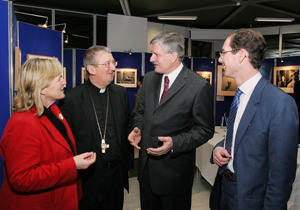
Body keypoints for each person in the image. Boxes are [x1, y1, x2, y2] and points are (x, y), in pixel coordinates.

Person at [210, 28, 299, 210]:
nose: (220, 59)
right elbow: (243, 138)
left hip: (251, 202)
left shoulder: (280, 104)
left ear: (241, 55)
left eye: (223, 53)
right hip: (225, 192)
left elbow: (281, 175)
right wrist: (220, 147)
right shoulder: (240, 95)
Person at [128, 31, 215, 210]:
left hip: (174, 175)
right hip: (146, 171)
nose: (151, 59)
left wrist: (174, 143)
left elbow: (205, 130)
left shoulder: (198, 86)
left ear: (174, 55)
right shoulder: (150, 79)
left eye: (156, 54)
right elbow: (140, 112)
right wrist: (138, 129)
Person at [0, 58, 96, 210]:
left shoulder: (53, 111)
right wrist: (72, 165)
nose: (64, 82)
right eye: (59, 79)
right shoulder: (22, 123)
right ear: (42, 88)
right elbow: (21, 179)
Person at [58, 46, 132, 210]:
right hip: (88, 179)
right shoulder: (71, 99)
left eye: (113, 62)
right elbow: (65, 143)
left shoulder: (120, 94)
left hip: (116, 177)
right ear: (91, 69)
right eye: (107, 64)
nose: (113, 67)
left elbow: (126, 128)